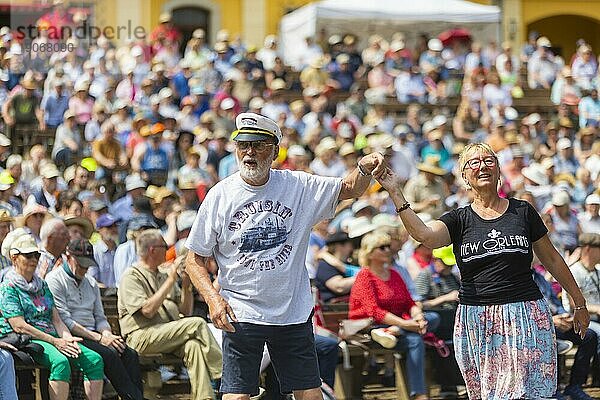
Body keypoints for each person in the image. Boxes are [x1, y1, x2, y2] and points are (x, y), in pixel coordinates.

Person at [185, 112, 385, 400]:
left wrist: (364, 169)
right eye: (243, 145)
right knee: (237, 396)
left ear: (275, 150)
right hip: (241, 311)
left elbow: (350, 187)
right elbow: (194, 259)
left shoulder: (298, 185)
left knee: (310, 395)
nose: (249, 152)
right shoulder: (220, 195)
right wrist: (213, 299)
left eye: (258, 145)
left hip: (292, 311)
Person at [375, 142, 590, 400]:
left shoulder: (522, 211)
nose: (482, 166)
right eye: (473, 163)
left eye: (489, 161)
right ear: (464, 176)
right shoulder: (459, 219)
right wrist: (395, 193)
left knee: (523, 393)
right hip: (477, 320)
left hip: (525, 313)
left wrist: (579, 303)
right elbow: (424, 235)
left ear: (499, 172)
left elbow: (553, 260)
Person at [118, 229, 222, 400]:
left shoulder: (162, 274)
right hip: (140, 337)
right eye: (164, 246)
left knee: (193, 345)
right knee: (197, 323)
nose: (168, 250)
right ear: (152, 250)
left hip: (165, 334)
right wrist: (171, 279)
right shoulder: (132, 276)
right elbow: (147, 311)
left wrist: (186, 284)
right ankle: (225, 375)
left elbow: (185, 312)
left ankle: (205, 397)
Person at [0, 232, 104, 400]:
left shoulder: (42, 285)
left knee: (94, 360)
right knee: (60, 362)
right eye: (28, 255)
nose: (34, 259)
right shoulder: (8, 287)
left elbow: (56, 318)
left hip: (52, 336)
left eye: (36, 254)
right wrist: (55, 341)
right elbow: (19, 325)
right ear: (14, 258)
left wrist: (67, 338)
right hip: (28, 338)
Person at [46, 238, 144, 400]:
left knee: (129, 353)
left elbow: (100, 317)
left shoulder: (91, 282)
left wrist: (107, 335)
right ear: (68, 257)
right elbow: (65, 320)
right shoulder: (55, 279)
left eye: (87, 265)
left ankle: (135, 396)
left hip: (94, 334)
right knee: (110, 355)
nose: (84, 269)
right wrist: (99, 338)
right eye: (81, 264)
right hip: (71, 336)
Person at [348, 231, 438, 400]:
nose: (388, 250)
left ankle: (394, 331)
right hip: (370, 327)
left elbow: (409, 302)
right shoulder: (364, 276)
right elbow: (374, 311)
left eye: (389, 246)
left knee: (433, 318)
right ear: (370, 252)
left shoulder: (394, 274)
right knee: (415, 339)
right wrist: (405, 325)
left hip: (395, 325)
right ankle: (419, 394)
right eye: (382, 247)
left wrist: (417, 316)